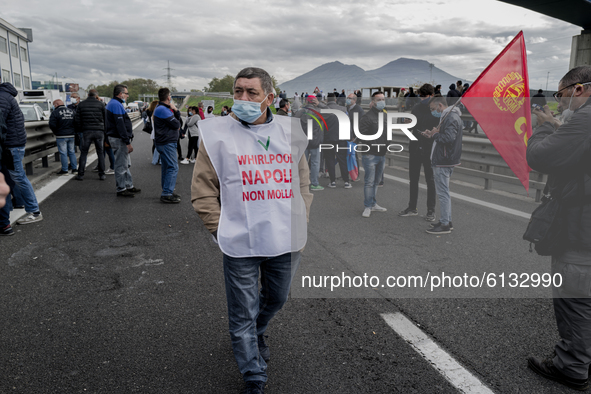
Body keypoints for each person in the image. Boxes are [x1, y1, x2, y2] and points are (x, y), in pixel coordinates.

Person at [191, 67, 313, 394]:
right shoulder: (216, 135)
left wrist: (302, 217)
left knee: (277, 297)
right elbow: (202, 190)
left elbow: (303, 182)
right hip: (240, 242)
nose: (242, 98)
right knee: (241, 312)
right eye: (238, 91)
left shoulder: (290, 132)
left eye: (252, 93)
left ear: (269, 98)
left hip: (285, 237)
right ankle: (254, 375)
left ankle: (259, 329)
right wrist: (221, 230)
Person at [526, 66, 591, 392]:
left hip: (581, 225)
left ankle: (572, 366)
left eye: (561, 94)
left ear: (578, 89)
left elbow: (539, 156)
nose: (560, 101)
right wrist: (557, 125)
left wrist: (542, 129)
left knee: (574, 294)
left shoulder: (584, 119)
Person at [0, 76, 43, 224]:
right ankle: (15, 206)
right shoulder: (5, 95)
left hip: (11, 145)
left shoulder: (2, 97)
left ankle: (34, 211)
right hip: (14, 143)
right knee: (12, 176)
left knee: (18, 177)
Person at [421, 95, 463, 234]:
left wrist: (434, 135)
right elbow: (445, 136)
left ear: (440, 106)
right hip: (445, 160)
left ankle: (445, 224)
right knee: (444, 192)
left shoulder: (450, 117)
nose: (433, 111)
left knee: (443, 193)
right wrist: (433, 133)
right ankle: (447, 220)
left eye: (433, 108)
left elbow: (448, 138)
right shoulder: (450, 116)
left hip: (443, 162)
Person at [399, 84, 438, 221]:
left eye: (425, 96)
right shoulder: (416, 108)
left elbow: (440, 129)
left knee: (430, 180)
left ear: (431, 95)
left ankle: (431, 210)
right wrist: (406, 123)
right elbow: (410, 127)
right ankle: (412, 207)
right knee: (413, 179)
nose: (423, 99)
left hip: (429, 149)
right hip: (415, 147)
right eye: (421, 96)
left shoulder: (436, 110)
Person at [105, 84, 140, 197]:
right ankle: (121, 188)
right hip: (118, 138)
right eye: (126, 93)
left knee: (125, 163)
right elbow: (120, 125)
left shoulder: (114, 103)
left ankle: (128, 185)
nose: (127, 96)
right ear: (120, 94)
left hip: (117, 138)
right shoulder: (116, 105)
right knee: (121, 164)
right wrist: (127, 142)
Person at [358, 91, 388, 217]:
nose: (382, 102)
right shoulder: (367, 117)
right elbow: (362, 135)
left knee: (376, 181)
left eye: (383, 99)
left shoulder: (385, 115)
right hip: (370, 154)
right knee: (369, 182)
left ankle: (373, 203)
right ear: (373, 102)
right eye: (379, 99)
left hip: (382, 154)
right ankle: (367, 206)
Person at [153, 88, 181, 203]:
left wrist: (175, 112)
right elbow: (176, 124)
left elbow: (176, 123)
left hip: (164, 142)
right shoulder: (163, 110)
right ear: (168, 97)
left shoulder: (160, 109)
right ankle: (167, 193)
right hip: (167, 143)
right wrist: (175, 109)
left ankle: (167, 190)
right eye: (170, 96)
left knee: (166, 167)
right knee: (173, 167)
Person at [74, 89, 106, 181]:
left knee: (84, 153)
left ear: (88, 95)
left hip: (86, 131)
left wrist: (80, 130)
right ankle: (102, 174)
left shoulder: (81, 104)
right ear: (96, 95)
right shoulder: (101, 104)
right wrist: (104, 130)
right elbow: (105, 119)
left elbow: (77, 119)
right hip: (99, 131)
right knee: (100, 153)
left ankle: (80, 175)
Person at [294, 95, 324, 191]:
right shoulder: (318, 112)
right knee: (315, 163)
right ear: (314, 102)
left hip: (303, 141)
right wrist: (320, 104)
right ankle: (314, 183)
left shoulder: (300, 112)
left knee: (302, 163)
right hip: (315, 141)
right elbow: (330, 111)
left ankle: (302, 183)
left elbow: (293, 124)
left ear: (306, 102)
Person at [324, 93, 351, 188]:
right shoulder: (343, 110)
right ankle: (346, 181)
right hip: (341, 139)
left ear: (327, 100)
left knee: (330, 160)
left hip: (328, 139)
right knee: (342, 160)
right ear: (335, 100)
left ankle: (332, 182)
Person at [49, 99, 78, 176]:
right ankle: (74, 169)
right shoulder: (71, 111)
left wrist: (56, 132)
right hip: (71, 135)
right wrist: (74, 133)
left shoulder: (55, 112)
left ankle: (65, 170)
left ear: (56, 105)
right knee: (72, 152)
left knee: (63, 153)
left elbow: (52, 124)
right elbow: (76, 123)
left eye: (54, 105)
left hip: (61, 136)